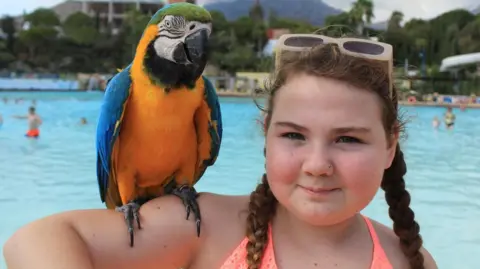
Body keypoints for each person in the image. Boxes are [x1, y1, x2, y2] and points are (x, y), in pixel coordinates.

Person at [3, 34, 437, 269]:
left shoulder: (408, 259)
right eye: (293, 136)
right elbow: (35, 240)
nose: (318, 165)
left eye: (348, 139)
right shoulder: (205, 227)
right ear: (265, 136)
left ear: (389, 147)